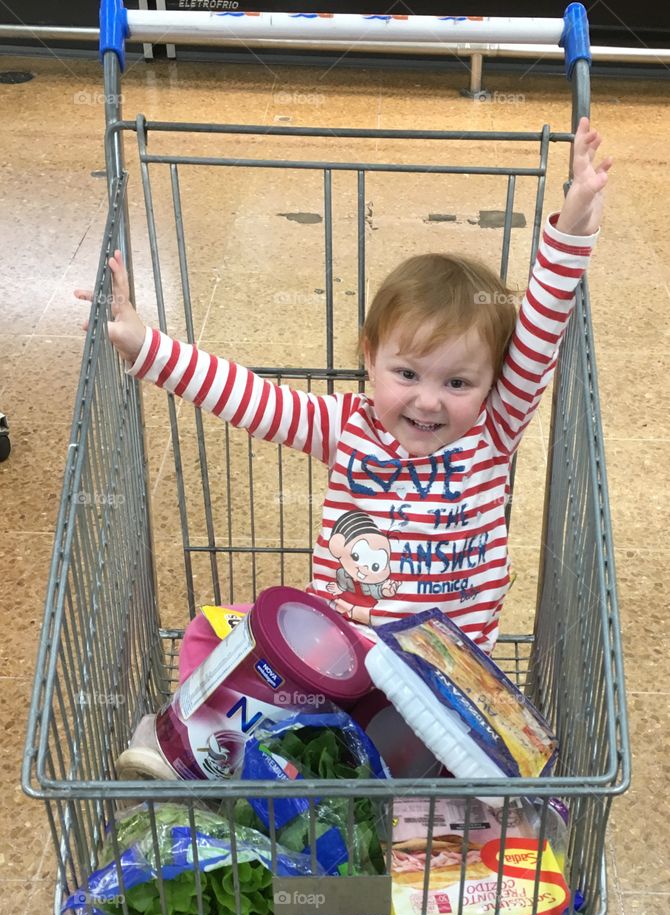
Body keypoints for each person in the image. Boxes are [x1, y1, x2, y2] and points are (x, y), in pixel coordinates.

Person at [76, 117, 611, 655]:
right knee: (235, 650)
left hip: (453, 671)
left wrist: (575, 218)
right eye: (406, 374)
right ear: (370, 358)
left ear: (494, 381)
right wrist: (146, 346)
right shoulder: (347, 425)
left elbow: (542, 326)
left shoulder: (494, 429)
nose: (428, 400)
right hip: (345, 656)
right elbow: (251, 399)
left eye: (458, 381)